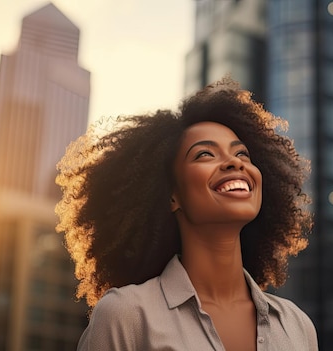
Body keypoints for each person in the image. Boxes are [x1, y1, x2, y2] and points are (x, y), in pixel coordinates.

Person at [55, 77, 317, 350]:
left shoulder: (298, 327)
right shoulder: (126, 316)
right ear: (171, 195)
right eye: (205, 154)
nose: (234, 163)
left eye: (242, 154)